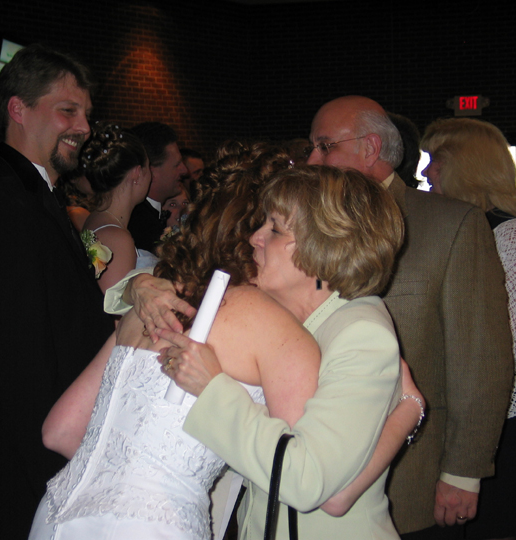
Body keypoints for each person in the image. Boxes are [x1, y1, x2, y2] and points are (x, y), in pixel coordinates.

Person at [122, 97, 514, 539]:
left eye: (274, 229)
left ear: (323, 245)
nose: (254, 237)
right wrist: (137, 287)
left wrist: (212, 388)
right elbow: (187, 292)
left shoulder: (360, 331)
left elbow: (314, 485)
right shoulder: (284, 308)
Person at [28, 143, 322, 540]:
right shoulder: (274, 327)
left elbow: (60, 430)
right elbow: (299, 477)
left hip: (55, 516)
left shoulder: (152, 302)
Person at [303, 96, 514, 539]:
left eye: (324, 146)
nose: (311, 160)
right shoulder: (304, 225)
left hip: (410, 478)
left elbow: (480, 360)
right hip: (315, 472)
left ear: (370, 147)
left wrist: (463, 472)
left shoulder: (448, 225)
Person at [0, 44, 114, 539]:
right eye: (68, 110)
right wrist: (62, 477)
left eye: (85, 113)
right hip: (28, 469)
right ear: (18, 109)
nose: (84, 127)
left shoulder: (33, 193)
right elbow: (14, 363)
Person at [421, 118, 516, 540]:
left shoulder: (510, 235)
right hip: (452, 404)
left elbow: (499, 345)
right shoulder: (453, 223)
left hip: (495, 413)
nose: (425, 171)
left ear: (465, 164)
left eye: (434, 159)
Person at [79, 122, 157, 292]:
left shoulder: (95, 218)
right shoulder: (116, 238)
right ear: (137, 173)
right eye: (148, 166)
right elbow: (113, 307)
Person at [127, 122, 187, 251]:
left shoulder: (146, 215)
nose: (184, 170)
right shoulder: (140, 225)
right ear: (151, 172)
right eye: (177, 165)